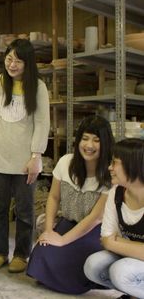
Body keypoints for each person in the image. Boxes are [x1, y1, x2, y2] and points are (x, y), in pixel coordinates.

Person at [0, 38, 50, 273]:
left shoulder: (38, 87)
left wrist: (36, 156)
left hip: (25, 161)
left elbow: (42, 123)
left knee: (25, 210)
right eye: (9, 59)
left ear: (27, 63)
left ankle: (21, 254)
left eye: (18, 61)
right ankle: (0, 252)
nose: (12, 65)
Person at [27, 115, 114, 294]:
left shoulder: (109, 173)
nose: (89, 145)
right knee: (40, 255)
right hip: (68, 222)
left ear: (105, 144)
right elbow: (53, 198)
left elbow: (95, 218)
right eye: (85, 138)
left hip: (94, 230)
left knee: (73, 265)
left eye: (96, 141)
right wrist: (49, 231)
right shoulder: (66, 162)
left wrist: (61, 240)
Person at [84, 138, 144, 299]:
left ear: (134, 165)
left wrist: (118, 242)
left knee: (120, 271)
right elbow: (106, 239)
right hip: (134, 257)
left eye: (115, 162)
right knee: (93, 266)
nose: (110, 167)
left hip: (130, 256)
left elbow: (112, 241)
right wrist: (134, 247)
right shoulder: (116, 193)